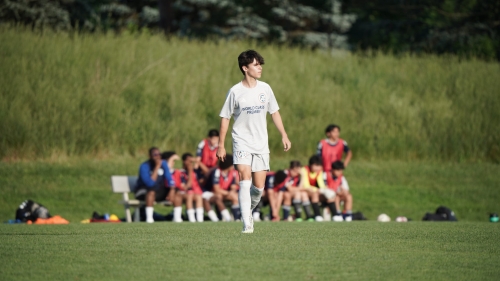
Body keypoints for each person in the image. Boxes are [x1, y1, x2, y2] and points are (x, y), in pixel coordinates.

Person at [217, 49, 291, 233]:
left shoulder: (265, 88)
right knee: (244, 177)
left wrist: (284, 134)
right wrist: (221, 144)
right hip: (241, 140)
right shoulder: (235, 91)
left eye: (260, 64)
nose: (260, 68)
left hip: (261, 143)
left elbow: (274, 112)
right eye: (256, 65)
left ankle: (247, 208)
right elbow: (225, 117)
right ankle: (247, 224)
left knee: (258, 187)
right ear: (245, 68)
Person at [135, 147, 175, 223]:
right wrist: (157, 167)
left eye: (159, 154)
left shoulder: (164, 164)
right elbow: (150, 184)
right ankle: (149, 219)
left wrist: (172, 190)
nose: (157, 156)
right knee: (151, 192)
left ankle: (177, 218)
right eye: (155, 154)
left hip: (157, 191)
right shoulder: (144, 166)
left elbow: (169, 178)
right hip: (143, 191)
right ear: (150, 156)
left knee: (177, 193)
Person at [202, 154, 239, 222]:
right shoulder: (217, 171)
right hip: (208, 192)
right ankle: (225, 218)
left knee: (235, 197)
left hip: (222, 193)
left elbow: (233, 187)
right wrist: (228, 193)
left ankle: (236, 218)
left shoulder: (231, 172)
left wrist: (231, 192)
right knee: (218, 197)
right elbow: (216, 189)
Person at [171, 153, 204, 223]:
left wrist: (197, 161)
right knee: (190, 195)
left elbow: (207, 172)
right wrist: (190, 172)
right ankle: (192, 219)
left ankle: (200, 219)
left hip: (194, 193)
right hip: (183, 193)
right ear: (184, 161)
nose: (190, 163)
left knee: (198, 197)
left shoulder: (195, 171)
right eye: (188, 161)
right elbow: (187, 186)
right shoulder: (180, 172)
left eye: (191, 161)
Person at [299, 155, 325, 222]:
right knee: (315, 195)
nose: (317, 168)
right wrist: (317, 190)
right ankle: (317, 215)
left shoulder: (319, 171)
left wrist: (324, 190)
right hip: (303, 190)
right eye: (316, 165)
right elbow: (306, 185)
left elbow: (321, 183)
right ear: (310, 165)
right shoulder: (304, 169)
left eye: (319, 165)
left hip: (313, 191)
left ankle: (337, 215)